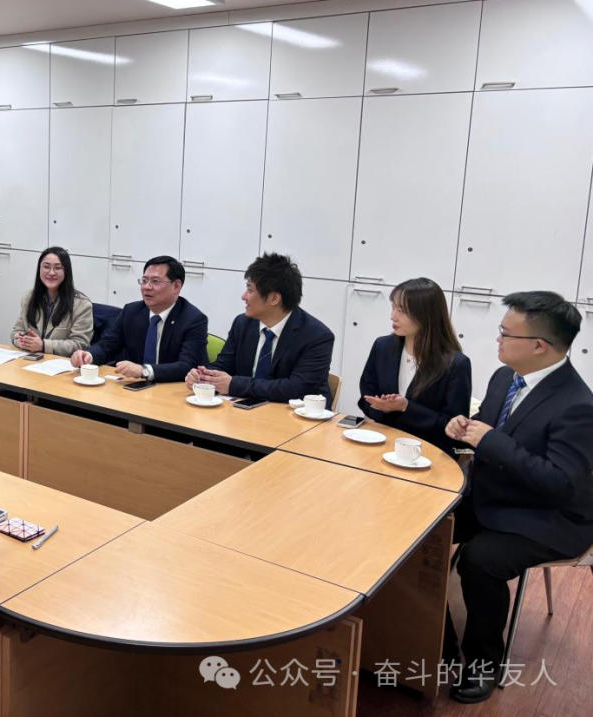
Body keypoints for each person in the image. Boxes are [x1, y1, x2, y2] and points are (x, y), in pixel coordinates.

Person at [443, 292, 593, 704]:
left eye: (505, 333)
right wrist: (466, 428)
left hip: (549, 517)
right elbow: (492, 428)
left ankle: (484, 662)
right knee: (421, 527)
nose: (498, 339)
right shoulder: (505, 376)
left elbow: (560, 484)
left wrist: (490, 440)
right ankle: (437, 637)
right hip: (496, 495)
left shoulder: (578, 406)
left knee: (480, 560)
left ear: (539, 346)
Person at [186, 253, 334, 405]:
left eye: (250, 290)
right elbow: (225, 365)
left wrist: (234, 384)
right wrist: (203, 377)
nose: (244, 297)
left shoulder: (317, 336)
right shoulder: (242, 324)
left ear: (274, 298)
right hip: (246, 410)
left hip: (295, 414)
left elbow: (295, 389)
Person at [358, 278, 472, 452]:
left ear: (426, 315)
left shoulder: (455, 364)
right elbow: (366, 398)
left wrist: (406, 408)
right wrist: (382, 409)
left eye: (401, 310)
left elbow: (455, 430)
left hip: (426, 453)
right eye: (393, 307)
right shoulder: (383, 346)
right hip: (382, 442)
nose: (393, 316)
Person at [70, 256, 207, 383]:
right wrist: (88, 355)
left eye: (155, 281)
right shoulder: (131, 311)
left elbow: (187, 366)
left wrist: (144, 370)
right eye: (144, 280)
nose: (147, 287)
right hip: (135, 386)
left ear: (176, 286)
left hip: (171, 389)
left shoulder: (193, 320)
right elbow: (107, 345)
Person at [10, 247, 93, 356]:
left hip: (61, 363)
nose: (51, 272)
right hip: (29, 360)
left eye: (57, 268)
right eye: (46, 267)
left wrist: (43, 345)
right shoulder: (29, 298)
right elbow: (16, 331)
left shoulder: (82, 305)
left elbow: (80, 344)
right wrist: (21, 341)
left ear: (66, 271)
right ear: (39, 269)